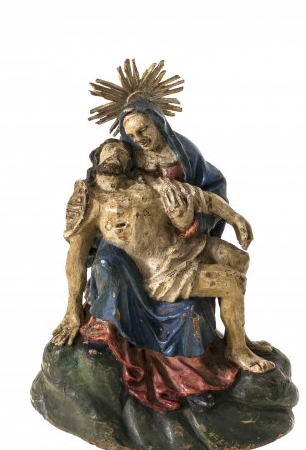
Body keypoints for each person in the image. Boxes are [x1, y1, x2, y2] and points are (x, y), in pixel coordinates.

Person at [52, 140, 274, 411]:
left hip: (182, 249)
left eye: (122, 153)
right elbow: (76, 257)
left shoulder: (150, 184)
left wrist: (235, 218)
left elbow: (202, 199)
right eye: (109, 151)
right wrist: (72, 310)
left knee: (240, 260)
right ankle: (236, 350)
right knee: (231, 283)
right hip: (159, 273)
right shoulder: (93, 199)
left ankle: (237, 336)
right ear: (96, 159)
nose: (115, 156)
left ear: (130, 163)